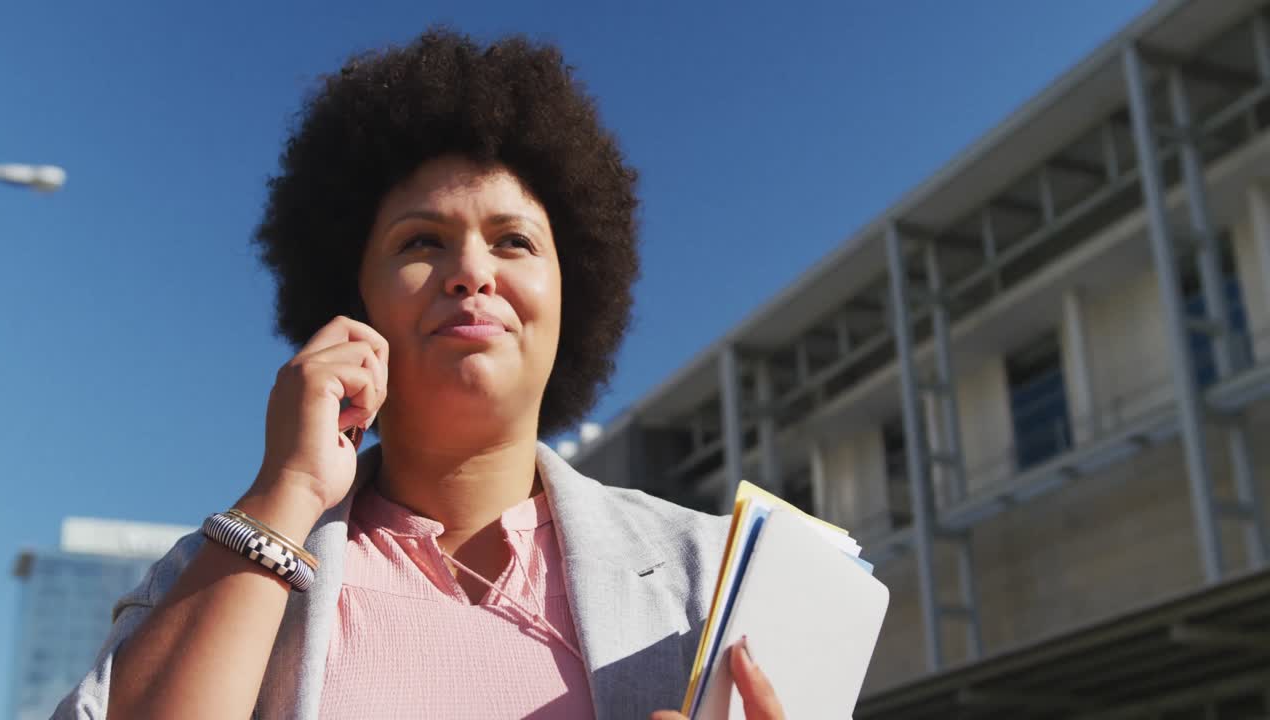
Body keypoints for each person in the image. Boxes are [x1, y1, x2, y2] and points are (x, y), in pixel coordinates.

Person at [54, 28, 785, 720]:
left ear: (573, 293)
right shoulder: (223, 568)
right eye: (423, 241)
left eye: (514, 242)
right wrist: (288, 493)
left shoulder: (714, 575)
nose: (472, 271)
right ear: (352, 300)